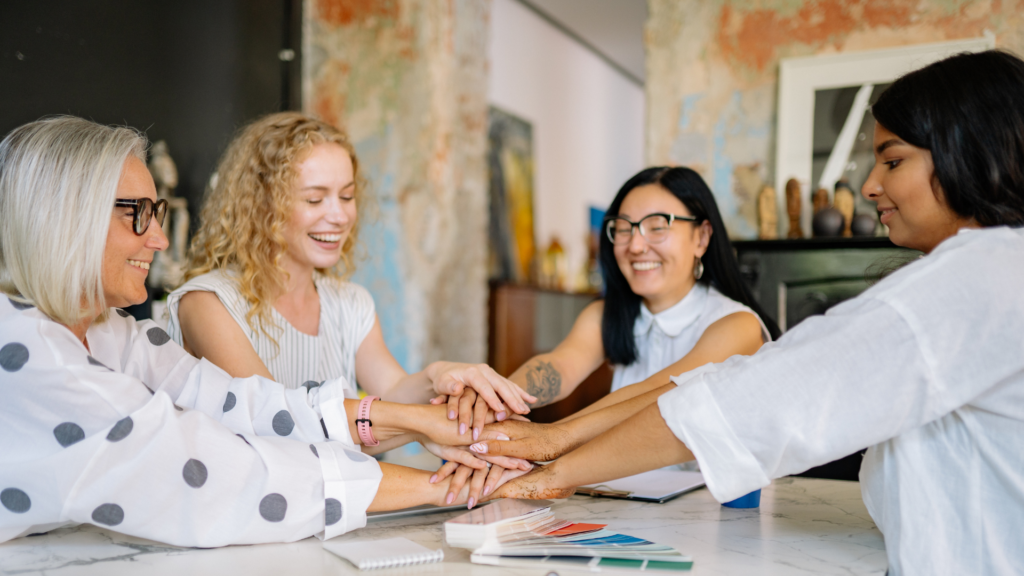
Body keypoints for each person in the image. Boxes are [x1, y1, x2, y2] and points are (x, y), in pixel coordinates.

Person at [481, 50, 1024, 575]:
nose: (868, 186)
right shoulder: (991, 270)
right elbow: (556, 373)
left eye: (894, 160)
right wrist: (488, 408)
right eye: (622, 229)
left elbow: (740, 399)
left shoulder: (976, 279)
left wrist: (555, 457)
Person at [0, 117, 526, 547]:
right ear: (63, 219)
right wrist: (445, 482)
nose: (158, 238)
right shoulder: (32, 352)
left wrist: (426, 414)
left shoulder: (116, 334)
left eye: (155, 212)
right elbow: (224, 468)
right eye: (137, 214)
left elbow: (250, 405)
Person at [165, 113, 532, 503]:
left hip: (332, 520)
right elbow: (281, 428)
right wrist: (423, 426)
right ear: (260, 205)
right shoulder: (207, 303)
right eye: (314, 198)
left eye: (346, 196)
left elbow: (393, 391)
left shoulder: (351, 303)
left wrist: (439, 377)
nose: (339, 216)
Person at [499, 167, 779, 412]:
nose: (635, 246)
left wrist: (546, 440)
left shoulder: (737, 324)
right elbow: (559, 367)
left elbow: (651, 398)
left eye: (657, 227)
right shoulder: (607, 314)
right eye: (624, 228)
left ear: (701, 238)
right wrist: (496, 399)